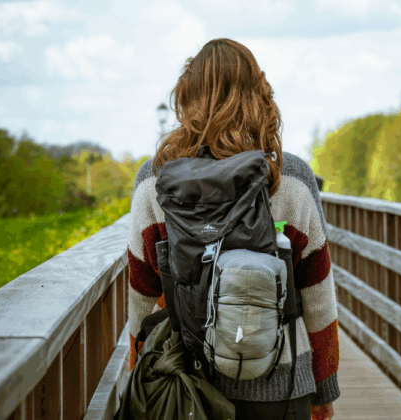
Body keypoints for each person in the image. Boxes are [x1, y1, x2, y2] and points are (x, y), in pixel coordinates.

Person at [127, 38, 339, 420]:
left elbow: (140, 299)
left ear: (186, 98)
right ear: (259, 96)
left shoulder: (154, 180)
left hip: (186, 386)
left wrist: (138, 376)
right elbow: (317, 296)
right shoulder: (291, 176)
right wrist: (324, 389)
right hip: (282, 384)